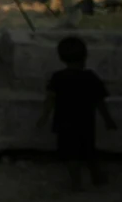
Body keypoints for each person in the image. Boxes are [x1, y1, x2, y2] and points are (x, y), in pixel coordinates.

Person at [37, 36, 116, 191]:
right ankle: (97, 177)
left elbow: (50, 99)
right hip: (85, 122)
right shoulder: (91, 77)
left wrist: (44, 117)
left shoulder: (58, 77)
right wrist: (108, 120)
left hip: (64, 123)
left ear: (61, 58)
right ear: (85, 55)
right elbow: (100, 102)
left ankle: (76, 183)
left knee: (70, 154)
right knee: (89, 151)